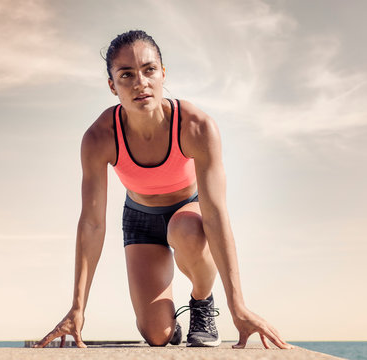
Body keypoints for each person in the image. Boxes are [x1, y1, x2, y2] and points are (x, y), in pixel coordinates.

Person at [34, 30, 292, 349]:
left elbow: (215, 215)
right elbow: (92, 223)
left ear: (162, 73)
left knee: (185, 227)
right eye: (126, 74)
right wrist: (77, 309)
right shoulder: (99, 137)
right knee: (157, 336)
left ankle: (201, 301)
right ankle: (170, 324)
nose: (140, 82)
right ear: (112, 85)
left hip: (191, 214)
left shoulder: (196, 126)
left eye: (149, 69)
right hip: (140, 219)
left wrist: (238, 306)